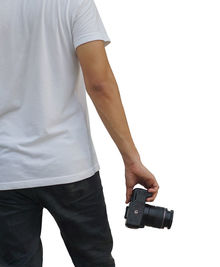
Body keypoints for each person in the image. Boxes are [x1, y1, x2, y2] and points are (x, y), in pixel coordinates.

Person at [0, 0, 159, 266]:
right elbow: (99, 84)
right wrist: (132, 159)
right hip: (70, 165)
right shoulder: (74, 2)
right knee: (93, 261)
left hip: (7, 170)